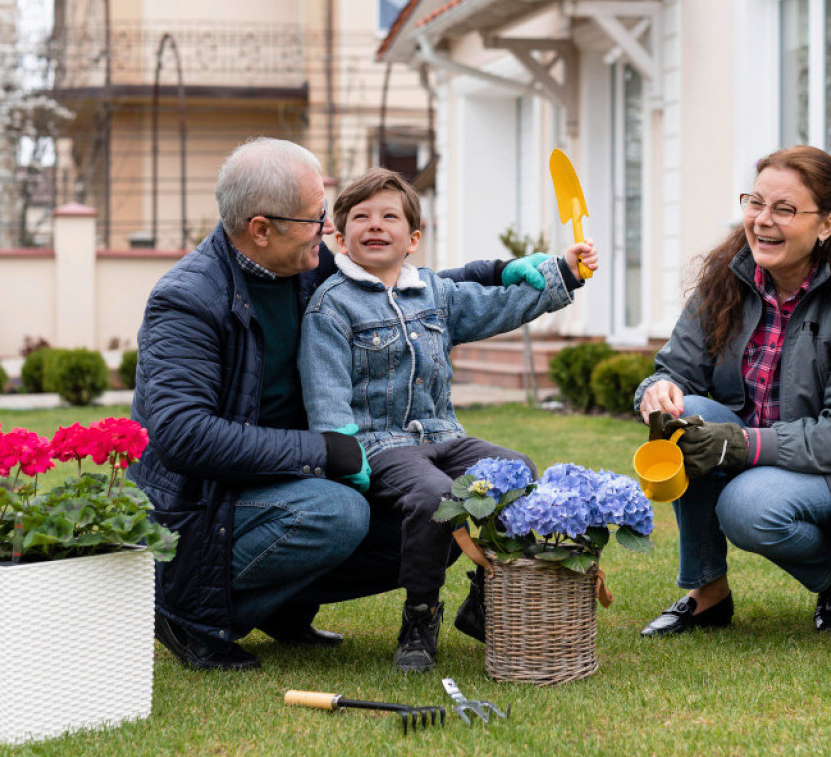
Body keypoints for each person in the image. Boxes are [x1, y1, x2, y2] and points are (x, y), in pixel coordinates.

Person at [128, 138, 554, 671]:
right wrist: (325, 451)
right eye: (316, 218)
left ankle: (281, 605)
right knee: (338, 512)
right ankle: (185, 611)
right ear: (261, 229)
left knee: (440, 505)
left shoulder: (307, 263)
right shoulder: (188, 300)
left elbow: (397, 291)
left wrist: (497, 272)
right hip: (207, 502)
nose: (329, 228)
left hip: (291, 474)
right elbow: (183, 435)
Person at [300, 168, 598, 672]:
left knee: (517, 471)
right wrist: (344, 456)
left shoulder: (435, 293)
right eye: (361, 217)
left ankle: (485, 595)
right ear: (339, 237)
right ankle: (420, 615)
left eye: (389, 216)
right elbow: (326, 393)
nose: (375, 225)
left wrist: (562, 273)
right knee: (434, 496)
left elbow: (498, 306)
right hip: (381, 444)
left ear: (413, 238)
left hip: (444, 434)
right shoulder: (330, 308)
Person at [634, 145, 831, 637]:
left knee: (746, 507)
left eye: (784, 209)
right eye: (755, 203)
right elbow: (674, 369)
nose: (763, 220)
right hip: (759, 447)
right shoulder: (728, 276)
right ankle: (708, 592)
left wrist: (741, 445)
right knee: (688, 413)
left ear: (826, 224)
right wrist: (658, 391)